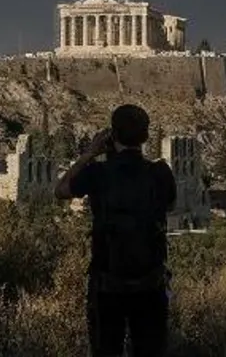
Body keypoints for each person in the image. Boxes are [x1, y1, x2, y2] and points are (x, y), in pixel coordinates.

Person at [54, 103, 177, 357]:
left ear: (113, 134)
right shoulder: (160, 173)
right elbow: (171, 205)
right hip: (150, 283)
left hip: (107, 286)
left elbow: (61, 190)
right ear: (145, 136)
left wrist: (89, 153)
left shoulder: (98, 173)